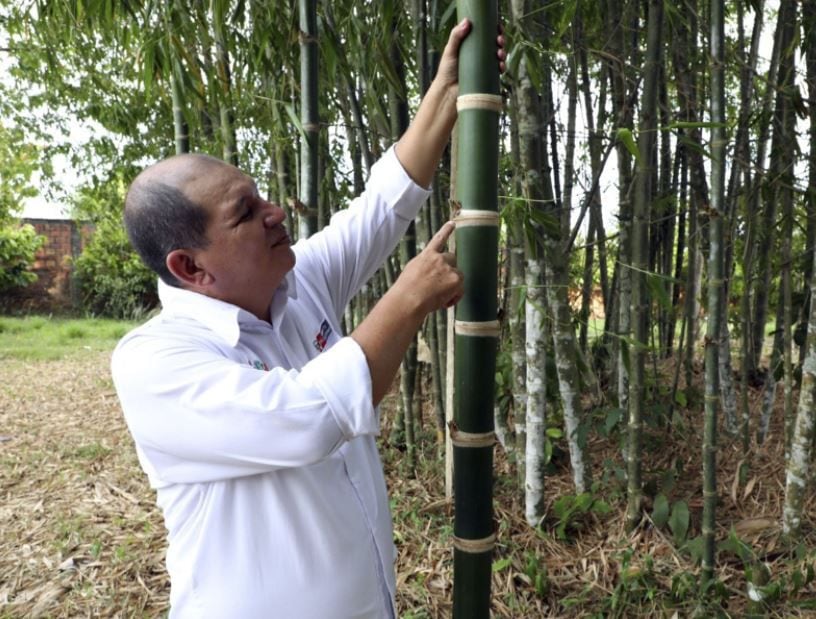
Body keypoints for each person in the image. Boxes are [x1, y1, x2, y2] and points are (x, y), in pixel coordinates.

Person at [112, 18, 506, 619]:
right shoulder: (156, 362)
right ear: (190, 267)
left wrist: (448, 91)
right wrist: (406, 300)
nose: (274, 213)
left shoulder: (296, 284)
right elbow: (309, 418)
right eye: (245, 212)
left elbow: (381, 205)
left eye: (261, 196)